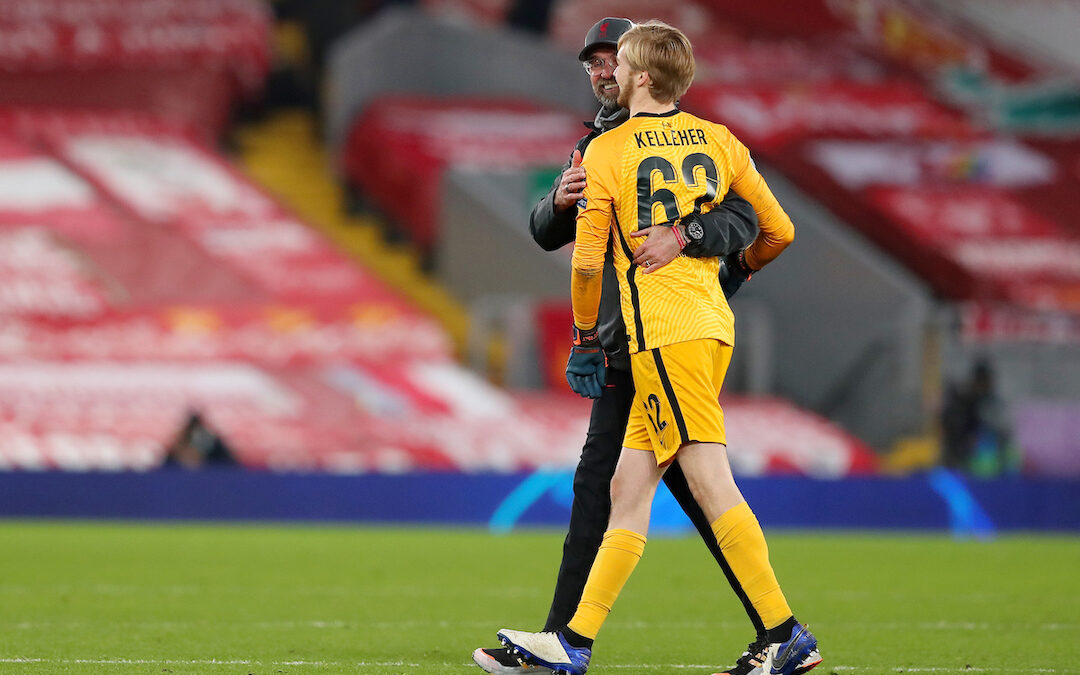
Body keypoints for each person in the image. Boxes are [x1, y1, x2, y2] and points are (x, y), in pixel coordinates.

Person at [493, 21, 822, 675]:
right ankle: (572, 642)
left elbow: (587, 267)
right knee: (623, 487)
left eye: (614, 60)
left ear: (639, 72)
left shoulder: (611, 152)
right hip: (686, 329)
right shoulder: (714, 139)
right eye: (592, 63)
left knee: (706, 482)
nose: (601, 71)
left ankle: (784, 632)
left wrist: (586, 334)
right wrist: (726, 278)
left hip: (660, 335)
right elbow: (774, 227)